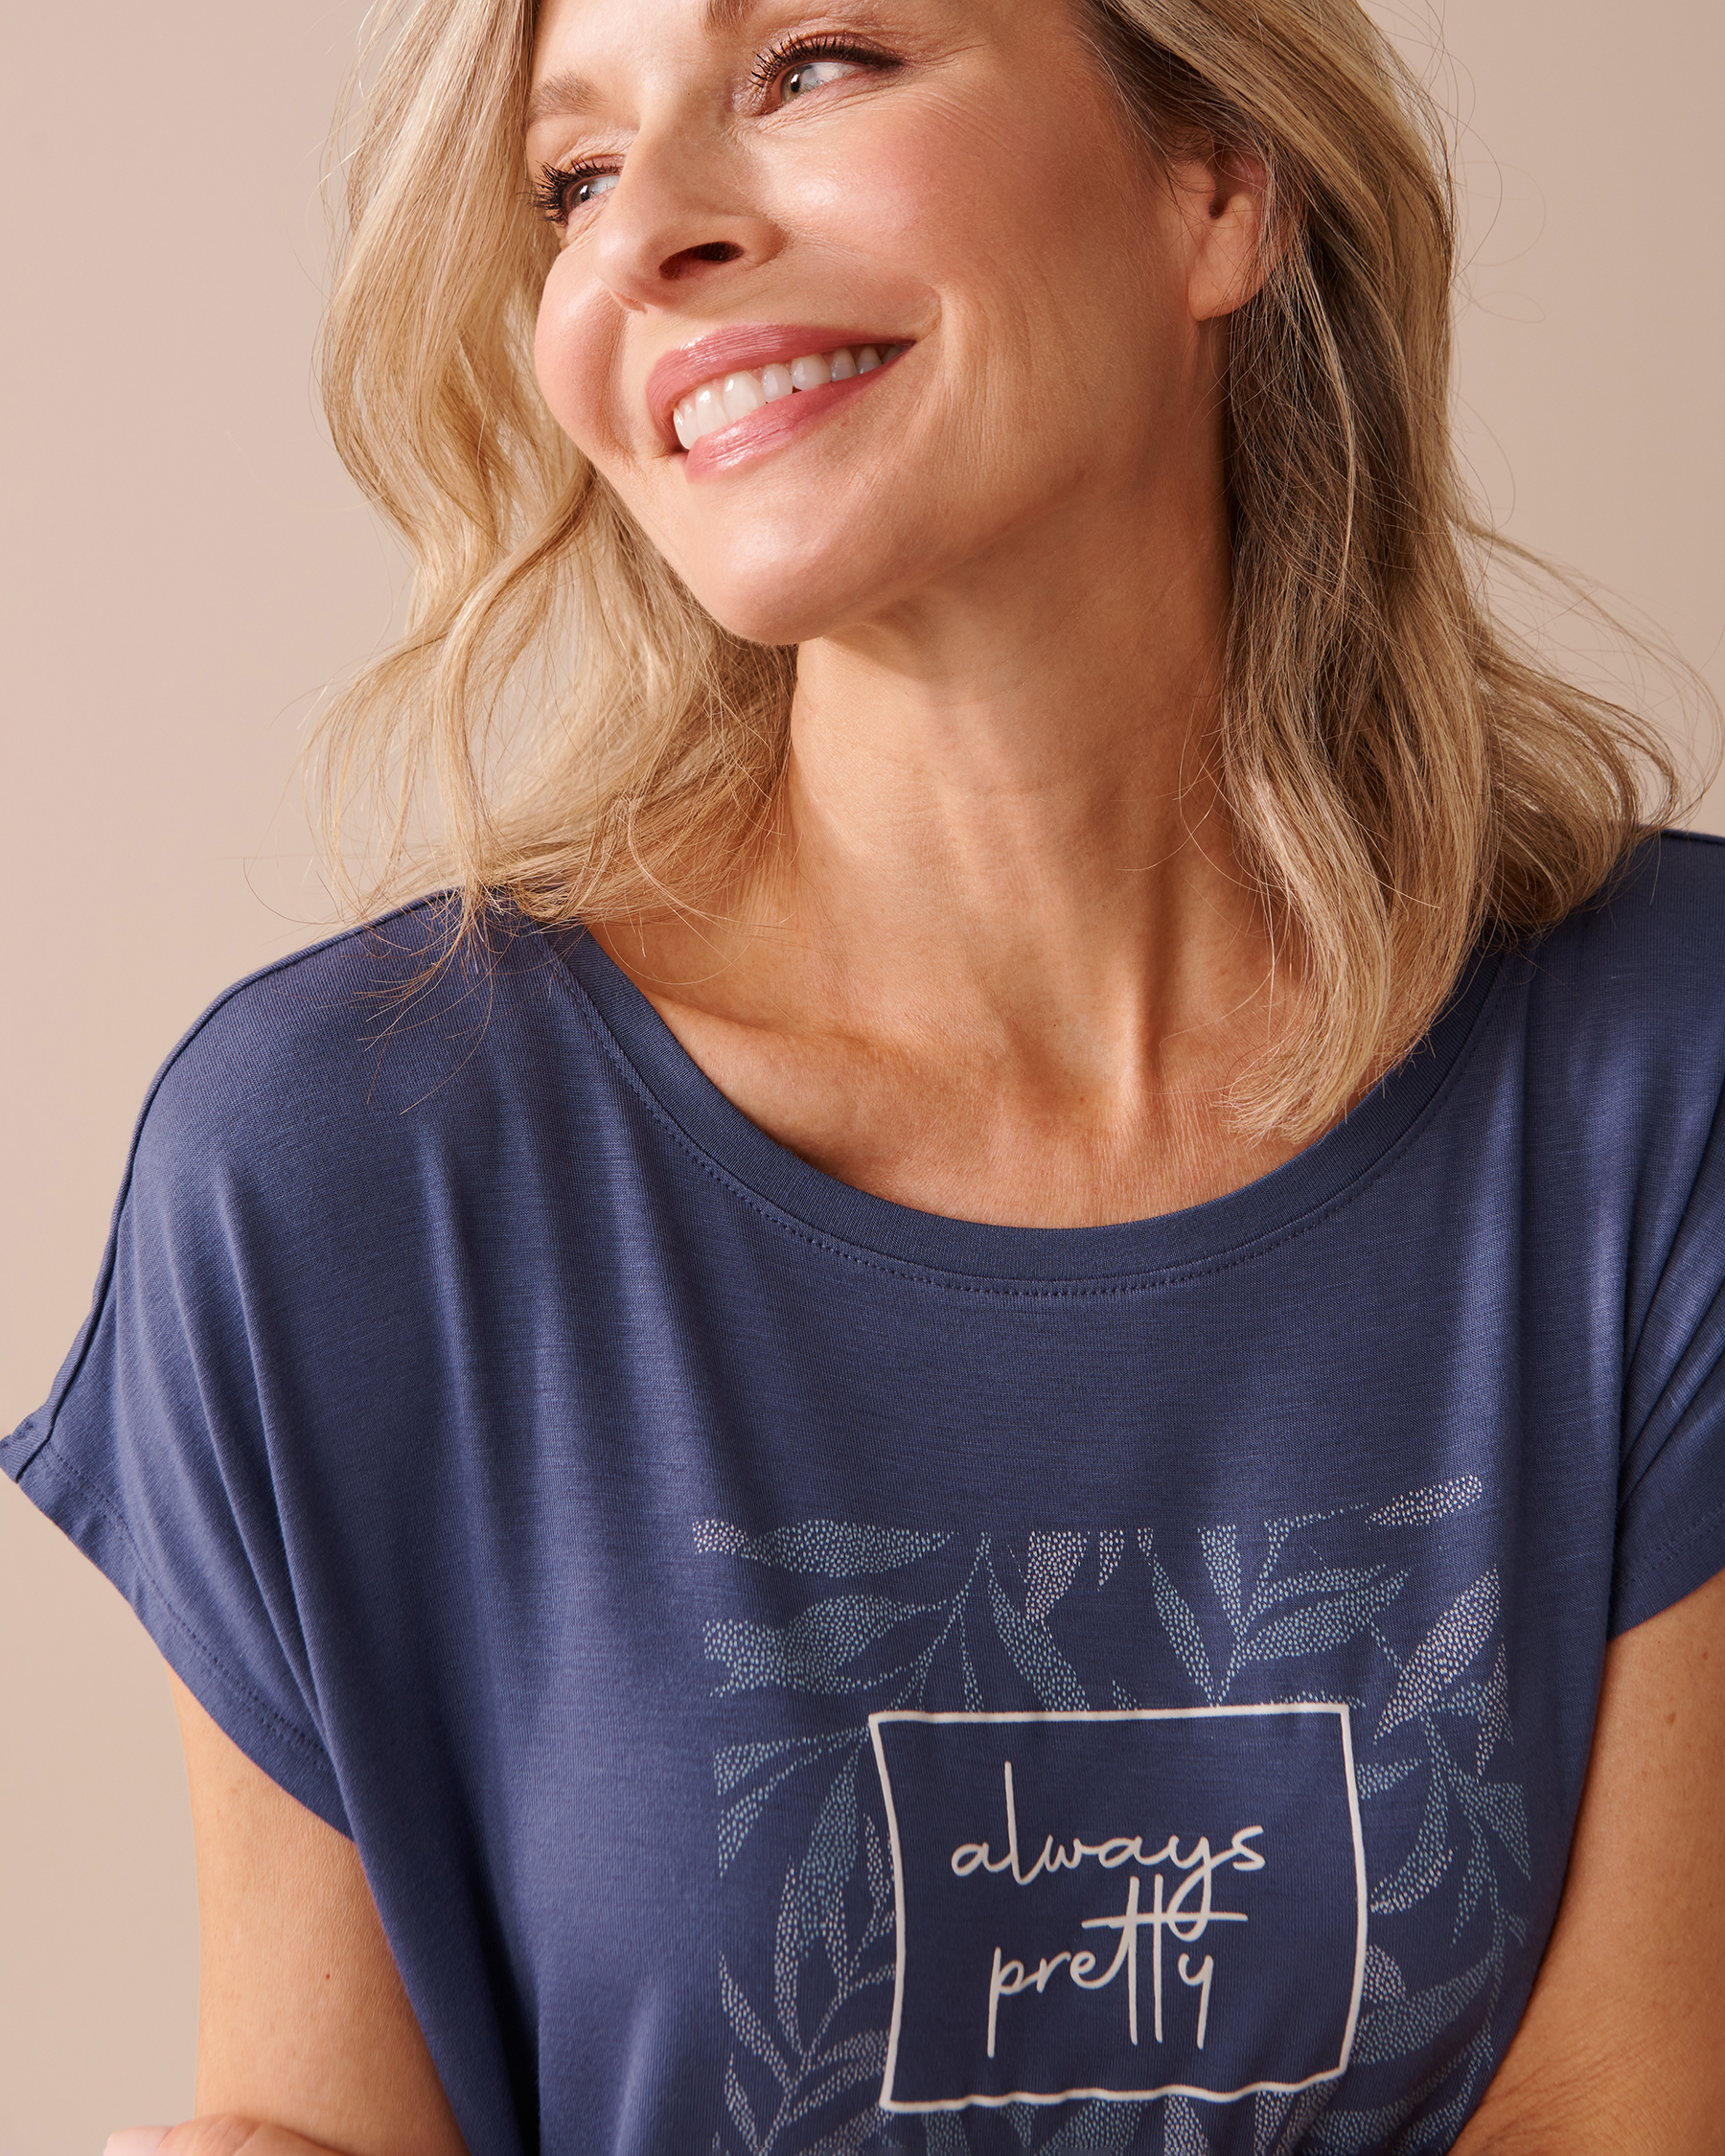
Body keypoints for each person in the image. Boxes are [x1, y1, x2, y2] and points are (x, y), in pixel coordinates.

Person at [13, 0, 1724, 2149]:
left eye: (814, 62)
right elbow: (315, 2119)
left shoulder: (1669, 1078)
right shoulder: (344, 1169)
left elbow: (1624, 2103)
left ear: (1217, 179)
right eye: (571, 178)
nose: (647, 234)